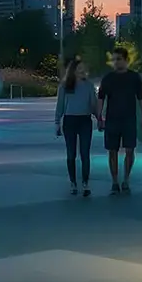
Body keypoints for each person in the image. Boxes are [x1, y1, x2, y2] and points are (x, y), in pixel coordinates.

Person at [97, 47, 142, 195]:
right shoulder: (108, 78)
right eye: (114, 59)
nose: (116, 62)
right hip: (112, 120)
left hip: (129, 120)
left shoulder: (134, 78)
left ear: (126, 60)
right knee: (112, 151)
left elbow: (141, 98)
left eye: (118, 59)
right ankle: (114, 181)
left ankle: (126, 179)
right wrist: (99, 117)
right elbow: (101, 98)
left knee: (130, 150)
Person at [55, 59, 99, 197]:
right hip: (70, 121)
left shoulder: (89, 86)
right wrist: (57, 122)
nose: (82, 71)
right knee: (71, 154)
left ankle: (85, 183)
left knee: (85, 154)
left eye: (83, 68)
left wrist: (100, 118)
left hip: (85, 121)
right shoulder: (65, 87)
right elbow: (60, 106)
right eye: (79, 68)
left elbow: (94, 105)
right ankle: (73, 182)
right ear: (73, 70)